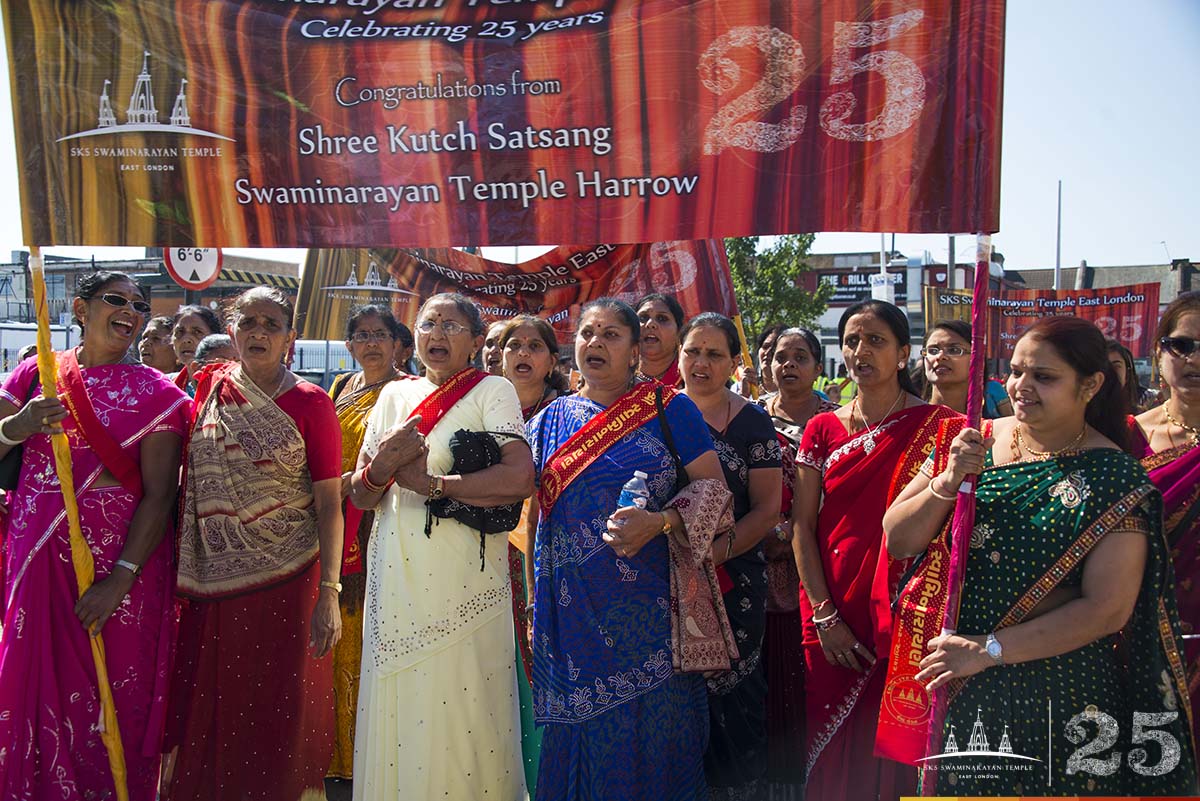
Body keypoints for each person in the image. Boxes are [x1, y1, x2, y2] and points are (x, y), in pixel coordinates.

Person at [886, 316, 1198, 795]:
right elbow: (898, 539)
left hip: (1061, 689)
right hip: (959, 679)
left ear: (1091, 385)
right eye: (1015, 371)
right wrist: (947, 482)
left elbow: (1106, 609)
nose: (1021, 386)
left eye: (1043, 377)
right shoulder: (975, 440)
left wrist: (987, 651)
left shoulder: (1116, 478)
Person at [527, 298, 733, 801]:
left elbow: (715, 494)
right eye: (587, 334)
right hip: (570, 619)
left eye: (611, 335)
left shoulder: (670, 408)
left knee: (651, 741)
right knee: (577, 740)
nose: (595, 343)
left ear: (636, 349)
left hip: (649, 617)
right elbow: (531, 516)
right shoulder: (550, 419)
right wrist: (534, 598)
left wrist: (659, 523)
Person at [0, 271, 190, 800]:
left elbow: (160, 494)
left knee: (112, 699)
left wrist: (119, 581)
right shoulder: (34, 376)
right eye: (116, 299)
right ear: (81, 310)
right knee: (31, 687)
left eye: (139, 304)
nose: (130, 310)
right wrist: (19, 426)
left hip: (117, 577)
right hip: (36, 563)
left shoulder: (156, 393)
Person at [348, 292, 534, 800]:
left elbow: (520, 477)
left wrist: (434, 486)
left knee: (467, 706)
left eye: (452, 326)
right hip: (396, 580)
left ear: (476, 342)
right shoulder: (391, 396)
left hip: (467, 581)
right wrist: (383, 467)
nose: (438, 334)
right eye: (429, 324)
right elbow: (361, 496)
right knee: (402, 705)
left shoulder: (491, 390)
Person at [165, 287, 344, 801]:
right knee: (212, 693)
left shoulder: (311, 403)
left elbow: (329, 502)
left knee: (280, 701)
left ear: (291, 337)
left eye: (271, 324)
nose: (259, 333)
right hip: (214, 577)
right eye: (248, 322)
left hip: (292, 575)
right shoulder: (209, 390)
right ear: (233, 329)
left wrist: (329, 592)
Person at [790, 299, 955, 801]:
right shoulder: (823, 428)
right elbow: (801, 526)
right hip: (831, 603)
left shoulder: (942, 425)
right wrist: (824, 616)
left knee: (901, 743)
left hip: (911, 607)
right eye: (852, 341)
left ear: (904, 354)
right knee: (833, 743)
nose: (861, 351)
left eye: (876, 341)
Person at [678, 313, 782, 798]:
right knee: (676, 704)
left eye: (714, 354)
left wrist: (715, 554)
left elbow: (767, 510)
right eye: (692, 351)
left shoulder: (751, 423)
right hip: (665, 581)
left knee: (735, 699)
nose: (700, 362)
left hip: (733, 579)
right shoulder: (655, 414)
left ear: (734, 363)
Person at [324, 304, 407, 784]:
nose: (371, 343)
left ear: (398, 343)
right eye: (361, 335)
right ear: (350, 345)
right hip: (337, 524)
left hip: (379, 524)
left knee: (375, 634)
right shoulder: (340, 388)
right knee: (338, 638)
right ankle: (339, 754)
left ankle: (375, 754)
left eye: (380, 334)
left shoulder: (406, 391)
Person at [758, 326, 839, 799]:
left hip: (818, 564)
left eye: (800, 356)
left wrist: (798, 531)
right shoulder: (749, 419)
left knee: (808, 675)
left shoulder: (837, 422)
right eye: (780, 357)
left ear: (816, 365)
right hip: (757, 563)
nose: (788, 365)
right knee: (766, 677)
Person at [499, 313, 569, 794]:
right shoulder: (483, 409)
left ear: (550, 361)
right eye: (513, 345)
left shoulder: (570, 415)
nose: (522, 354)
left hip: (552, 564)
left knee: (543, 670)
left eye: (534, 346)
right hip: (487, 565)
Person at [1130, 291, 1200, 746]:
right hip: (1133, 633)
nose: (1195, 359)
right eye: (1183, 344)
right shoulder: (1123, 436)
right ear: (1158, 351)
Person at [170, 304, 223, 395]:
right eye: (179, 332)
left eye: (197, 332)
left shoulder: (227, 384)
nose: (186, 340)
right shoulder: (165, 386)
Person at [636, 292, 686, 387]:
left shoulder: (691, 379)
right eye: (643, 318)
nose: (651, 324)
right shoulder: (615, 377)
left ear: (679, 332)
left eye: (662, 318)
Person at [922, 320, 973, 414]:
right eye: (933, 351)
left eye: (954, 350)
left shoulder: (991, 426)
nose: (940, 357)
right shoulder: (908, 421)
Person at [1108, 336, 1157, 413]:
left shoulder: (1150, 400)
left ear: (1127, 373)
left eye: (1116, 366)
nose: (1110, 372)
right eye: (1104, 366)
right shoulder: (1087, 406)